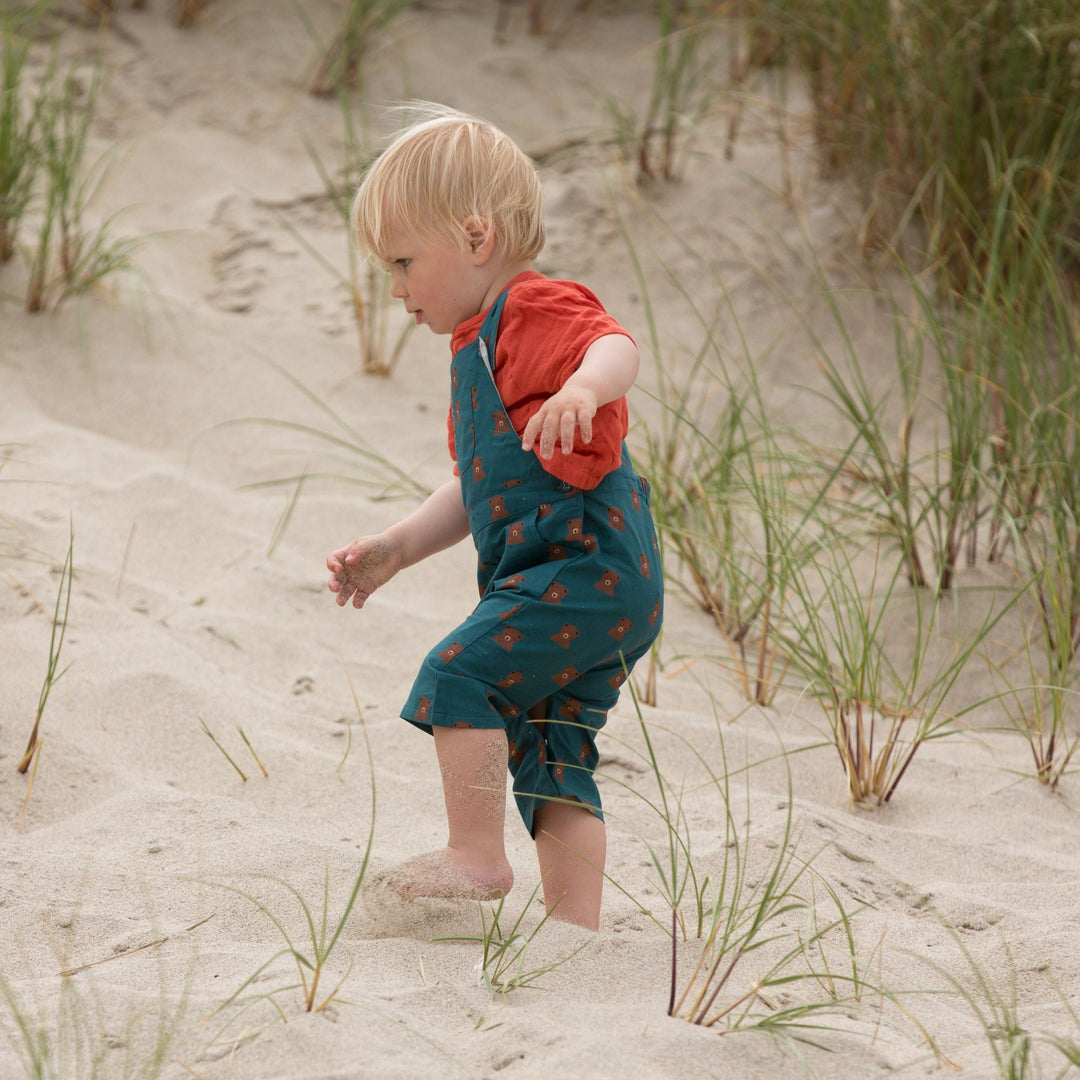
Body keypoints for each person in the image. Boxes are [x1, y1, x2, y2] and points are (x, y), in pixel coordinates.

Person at [326, 106, 662, 931]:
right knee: (554, 749)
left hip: (582, 566)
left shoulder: (532, 310)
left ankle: (475, 856)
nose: (397, 288)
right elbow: (477, 490)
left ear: (476, 237)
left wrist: (585, 389)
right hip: (606, 584)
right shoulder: (476, 350)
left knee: (459, 675)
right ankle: (573, 930)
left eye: (404, 262)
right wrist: (399, 548)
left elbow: (615, 346)